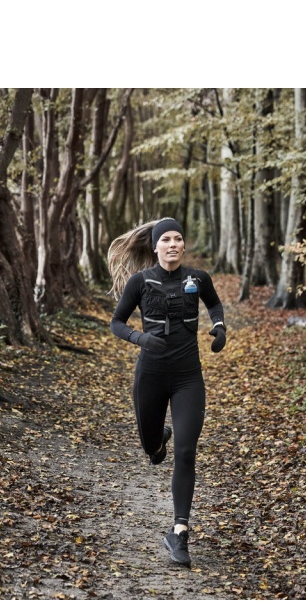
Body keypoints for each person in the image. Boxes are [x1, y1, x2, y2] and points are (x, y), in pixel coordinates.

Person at [108, 218, 226, 567]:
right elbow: (117, 323)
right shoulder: (140, 282)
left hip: (188, 377)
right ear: (156, 246)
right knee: (151, 448)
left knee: (186, 452)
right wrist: (141, 338)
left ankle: (179, 532)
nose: (173, 244)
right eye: (166, 240)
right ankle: (158, 439)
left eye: (178, 238)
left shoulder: (197, 279)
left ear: (183, 245)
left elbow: (214, 304)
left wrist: (219, 328)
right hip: (151, 376)